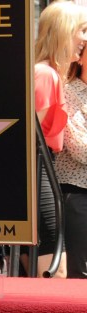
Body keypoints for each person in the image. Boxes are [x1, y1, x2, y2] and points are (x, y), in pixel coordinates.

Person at [29, 0, 87, 278]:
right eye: (83, 31)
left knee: (55, 266)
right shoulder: (45, 74)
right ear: (65, 31)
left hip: (44, 169)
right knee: (55, 268)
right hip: (38, 171)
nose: (84, 40)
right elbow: (28, 138)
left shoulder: (49, 74)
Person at [55, 41, 87, 279]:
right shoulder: (69, 91)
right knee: (81, 272)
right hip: (77, 193)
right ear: (81, 58)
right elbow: (80, 149)